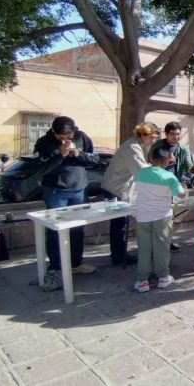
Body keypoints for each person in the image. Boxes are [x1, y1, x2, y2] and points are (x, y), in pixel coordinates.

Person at [34, 116, 99, 275]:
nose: (65, 141)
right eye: (60, 138)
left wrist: (77, 153)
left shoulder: (82, 137)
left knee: (77, 228)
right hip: (56, 192)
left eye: (68, 138)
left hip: (79, 189)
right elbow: (38, 170)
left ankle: (76, 263)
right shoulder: (43, 143)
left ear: (74, 132)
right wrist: (60, 155)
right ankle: (56, 267)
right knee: (55, 229)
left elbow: (94, 159)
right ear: (53, 132)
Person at [100, 122, 158, 265]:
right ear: (142, 135)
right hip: (114, 189)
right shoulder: (132, 147)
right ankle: (119, 257)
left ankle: (119, 254)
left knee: (120, 223)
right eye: (152, 137)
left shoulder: (139, 145)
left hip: (120, 188)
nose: (153, 140)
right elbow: (141, 171)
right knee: (119, 224)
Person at [131, 147, 187, 292]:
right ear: (166, 160)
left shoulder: (140, 173)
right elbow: (181, 195)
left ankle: (142, 280)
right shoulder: (168, 176)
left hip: (142, 215)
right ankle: (163, 277)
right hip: (162, 215)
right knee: (161, 246)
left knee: (144, 248)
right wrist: (185, 188)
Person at [149, 122, 193, 252]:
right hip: (157, 185)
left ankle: (167, 241)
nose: (176, 137)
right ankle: (155, 244)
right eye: (172, 134)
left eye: (178, 134)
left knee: (168, 216)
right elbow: (150, 162)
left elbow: (188, 166)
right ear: (166, 134)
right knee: (156, 216)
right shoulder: (157, 145)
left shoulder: (183, 148)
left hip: (172, 185)